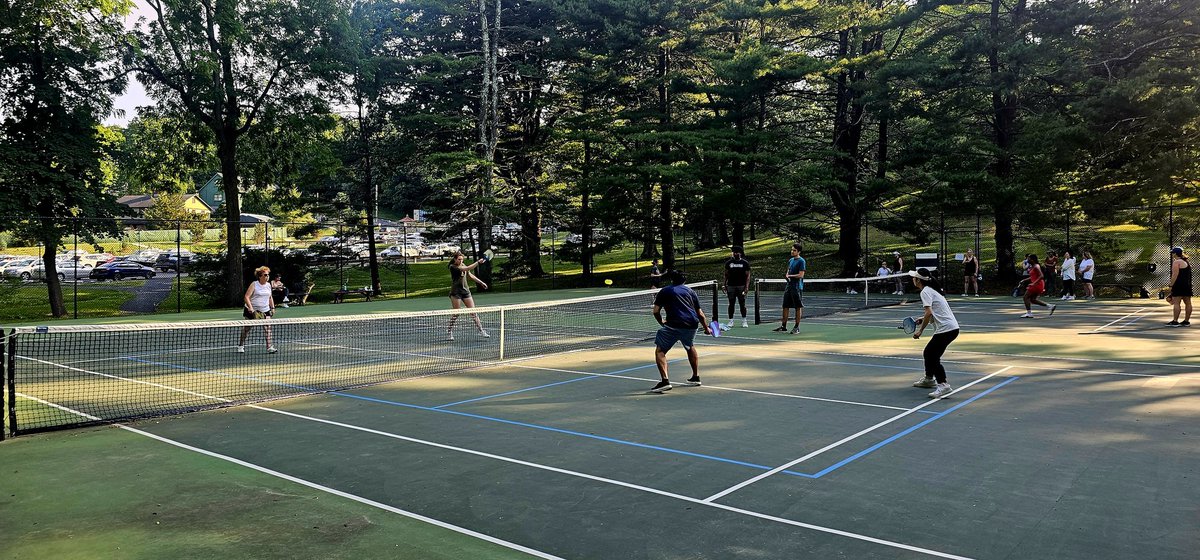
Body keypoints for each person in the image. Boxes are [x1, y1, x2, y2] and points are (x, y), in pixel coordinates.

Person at [648, 269, 713, 393]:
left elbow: (656, 311)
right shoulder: (690, 291)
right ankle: (695, 377)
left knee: (660, 351)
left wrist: (662, 322)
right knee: (689, 346)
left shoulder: (665, 291)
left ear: (672, 279)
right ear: (684, 280)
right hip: (692, 325)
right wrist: (706, 328)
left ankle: (665, 381)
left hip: (674, 325)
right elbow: (700, 313)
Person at [909, 269, 961, 399]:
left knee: (932, 355)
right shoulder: (932, 290)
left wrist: (920, 330)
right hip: (951, 328)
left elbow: (929, 313)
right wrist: (922, 319)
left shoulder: (925, 291)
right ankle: (929, 379)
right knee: (928, 353)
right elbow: (933, 313)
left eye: (914, 277)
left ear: (918, 280)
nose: (912, 279)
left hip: (947, 329)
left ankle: (943, 385)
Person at [447, 251, 490, 340]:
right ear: (455, 259)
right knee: (456, 314)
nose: (461, 261)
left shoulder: (463, 265)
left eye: (462, 259)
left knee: (473, 313)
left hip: (466, 292)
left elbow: (470, 275)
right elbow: (466, 269)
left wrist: (481, 283)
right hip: (456, 293)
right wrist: (478, 262)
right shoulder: (453, 267)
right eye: (459, 259)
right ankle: (449, 332)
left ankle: (481, 331)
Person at [238, 266, 277, 354]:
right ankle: (241, 345)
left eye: (268, 275)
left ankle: (269, 347)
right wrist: (251, 308)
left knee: (268, 328)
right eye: (265, 275)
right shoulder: (254, 284)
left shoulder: (268, 285)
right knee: (247, 329)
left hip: (265, 310)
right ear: (260, 276)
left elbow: (270, 297)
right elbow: (246, 297)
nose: (267, 277)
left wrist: (273, 307)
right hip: (252, 310)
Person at [774, 243, 806, 334]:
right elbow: (788, 271)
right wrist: (787, 275)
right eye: (792, 250)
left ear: (799, 252)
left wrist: (790, 276)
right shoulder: (791, 260)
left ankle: (797, 327)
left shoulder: (801, 261)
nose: (792, 251)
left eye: (794, 250)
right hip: (789, 286)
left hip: (796, 287)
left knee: (798, 307)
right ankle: (783, 326)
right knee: (785, 306)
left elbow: (801, 275)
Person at [1017, 254, 1056, 318]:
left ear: (1032, 260)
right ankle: (1050, 306)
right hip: (1037, 284)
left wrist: (1033, 283)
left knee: (1025, 297)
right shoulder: (1033, 266)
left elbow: (1041, 276)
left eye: (1029, 259)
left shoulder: (1036, 266)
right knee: (1032, 300)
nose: (1027, 260)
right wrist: (1024, 280)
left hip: (1037, 284)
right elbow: (1032, 276)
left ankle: (1029, 313)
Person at [722, 246, 752, 329]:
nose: (735, 253)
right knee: (731, 304)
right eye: (734, 252)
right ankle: (731, 321)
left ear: (740, 253)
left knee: (742, 304)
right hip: (731, 286)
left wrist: (746, 287)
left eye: (736, 252)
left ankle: (744, 320)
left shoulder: (745, 263)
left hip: (741, 286)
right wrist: (724, 284)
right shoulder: (728, 263)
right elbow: (726, 275)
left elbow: (748, 276)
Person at [1166, 247, 1193, 326]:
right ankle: (1186, 321)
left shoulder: (1176, 262)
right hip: (1187, 285)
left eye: (1173, 253)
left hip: (1178, 285)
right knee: (1188, 303)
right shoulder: (1186, 262)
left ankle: (1175, 321)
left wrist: (1171, 285)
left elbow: (1175, 275)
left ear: (1175, 254)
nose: (1172, 254)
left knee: (1176, 303)